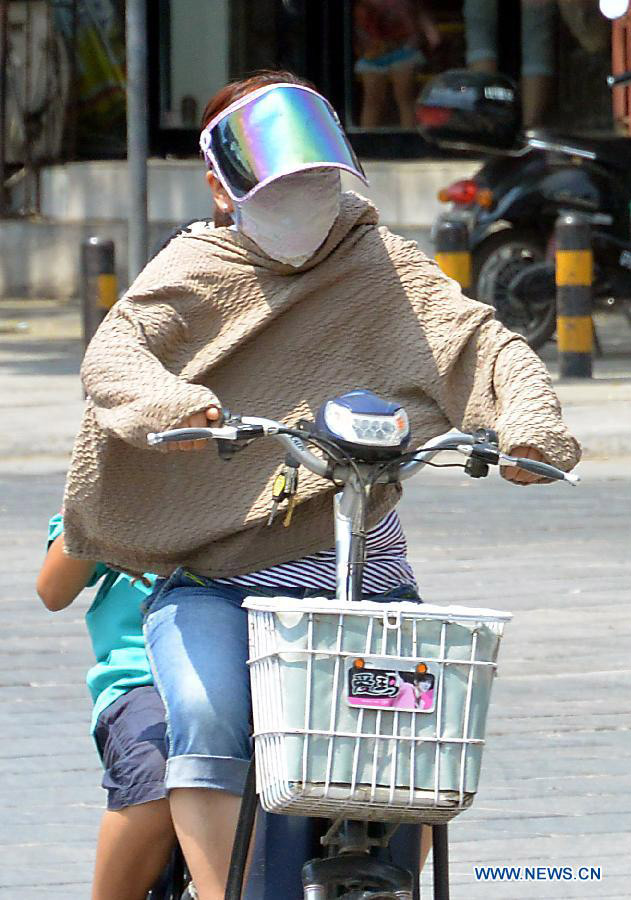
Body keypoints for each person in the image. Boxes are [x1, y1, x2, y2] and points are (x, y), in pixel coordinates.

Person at [62, 70, 581, 900]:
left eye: (314, 180)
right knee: (204, 716)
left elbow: (481, 342)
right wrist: (174, 406)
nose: (302, 200)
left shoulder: (380, 261)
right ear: (221, 185)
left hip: (367, 580)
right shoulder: (193, 263)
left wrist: (527, 427)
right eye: (279, 183)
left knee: (423, 728)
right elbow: (116, 352)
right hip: (216, 586)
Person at [36, 515, 176, 900]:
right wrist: (99, 493)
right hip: (144, 676)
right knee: (155, 769)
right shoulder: (134, 470)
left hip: (283, 663)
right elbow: (53, 590)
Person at [354, 0, 441, 127]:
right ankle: (367, 137)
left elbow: (419, 12)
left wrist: (430, 32)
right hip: (373, 51)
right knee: (372, 99)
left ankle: (409, 136)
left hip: (404, 47)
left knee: (405, 95)